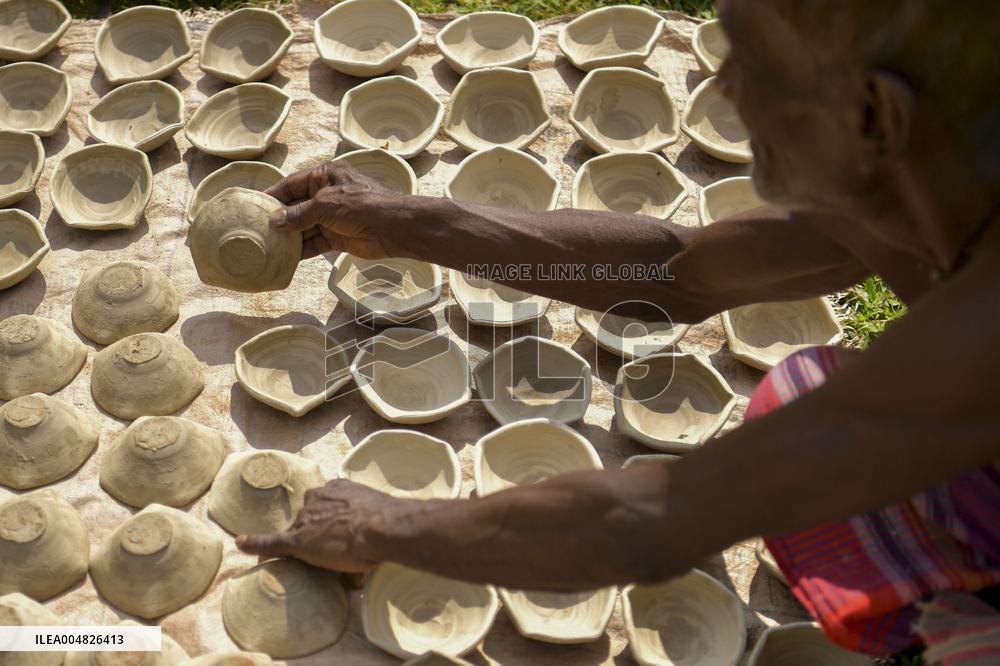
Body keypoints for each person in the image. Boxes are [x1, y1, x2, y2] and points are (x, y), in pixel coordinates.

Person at [237, 0, 1000, 659]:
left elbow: (658, 520)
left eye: (758, 66)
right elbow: (676, 274)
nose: (721, 85)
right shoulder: (916, 182)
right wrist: (413, 224)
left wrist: (385, 522)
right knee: (808, 405)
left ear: (876, 115)